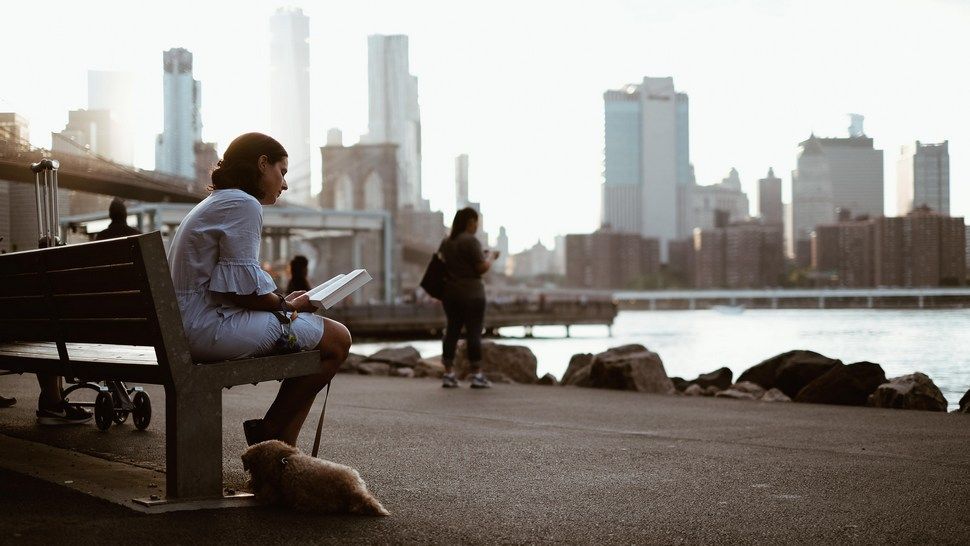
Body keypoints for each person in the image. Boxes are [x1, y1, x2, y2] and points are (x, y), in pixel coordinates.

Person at [167, 132, 352, 446]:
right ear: (262, 164)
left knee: (316, 342)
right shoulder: (243, 203)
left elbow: (229, 289)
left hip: (185, 324)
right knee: (336, 339)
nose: (285, 184)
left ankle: (283, 451)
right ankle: (269, 434)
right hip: (205, 329)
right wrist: (291, 306)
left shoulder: (217, 202)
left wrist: (282, 301)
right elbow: (242, 293)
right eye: (282, 172)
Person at [438, 207, 499, 389]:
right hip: (472, 293)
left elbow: (443, 265)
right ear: (470, 222)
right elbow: (481, 267)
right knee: (474, 332)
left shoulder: (447, 242)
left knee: (451, 332)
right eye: (476, 222)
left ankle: (448, 373)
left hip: (450, 293)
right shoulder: (470, 241)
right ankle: (477, 375)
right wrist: (492, 258)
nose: (477, 226)